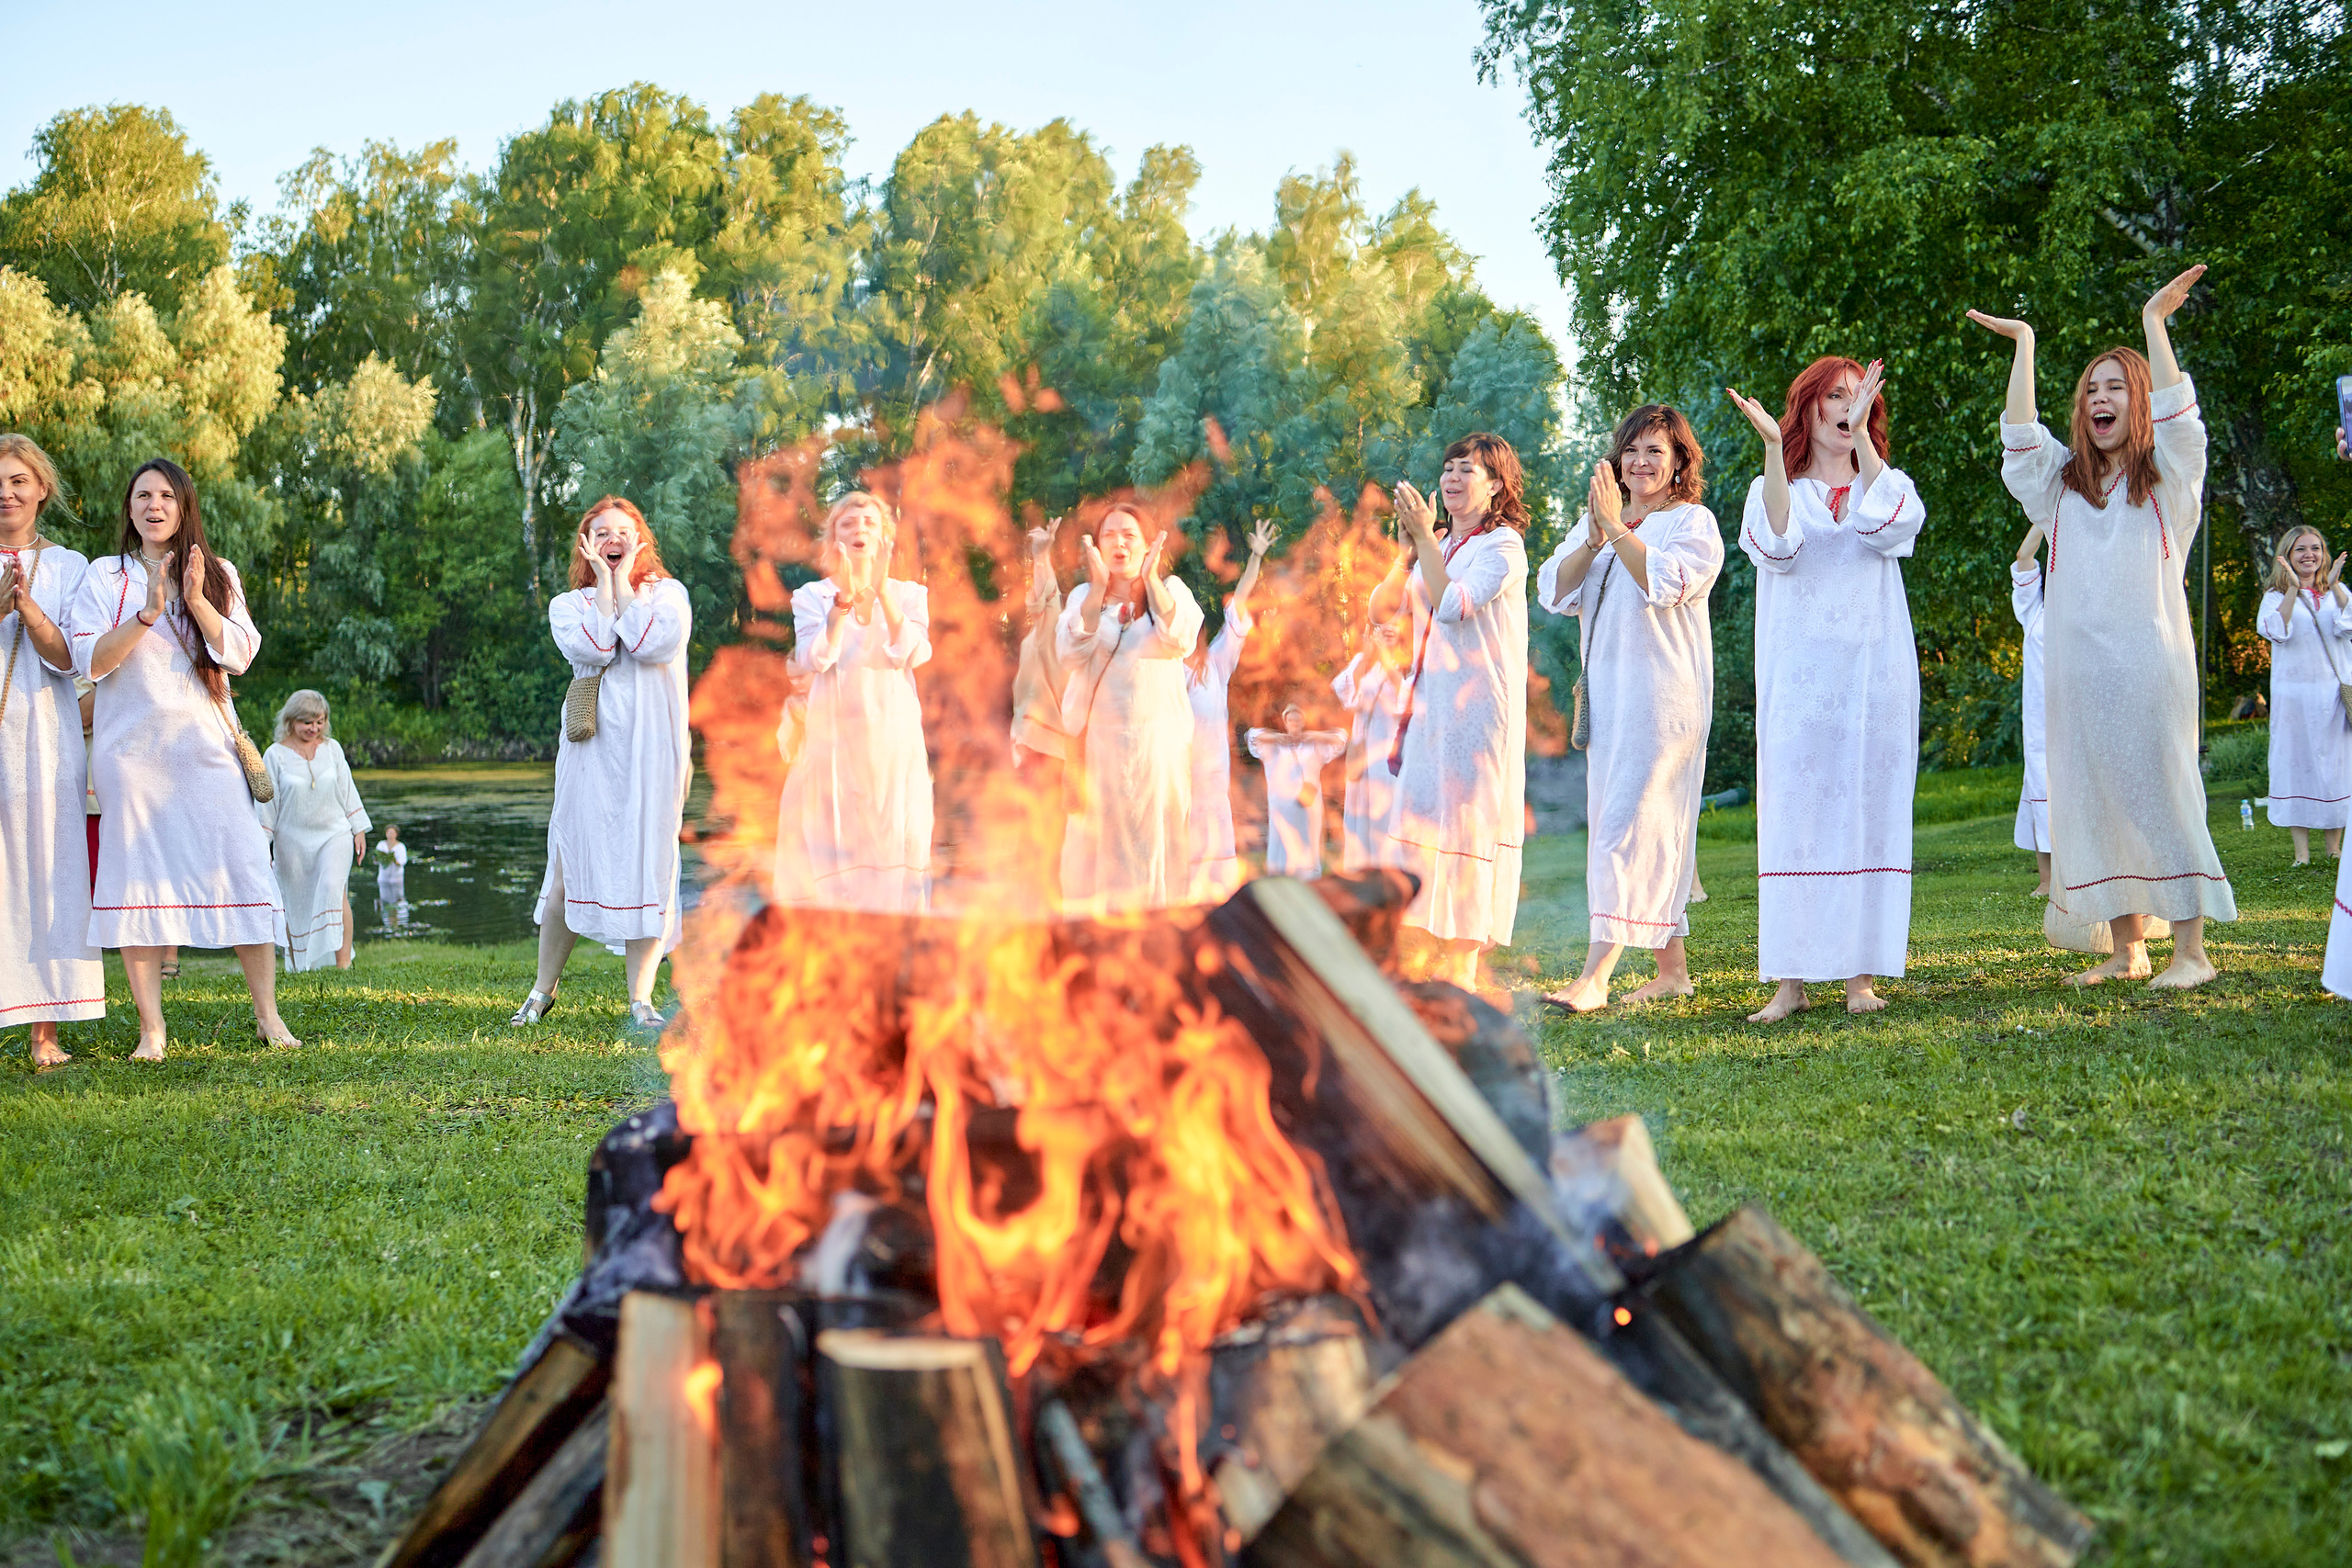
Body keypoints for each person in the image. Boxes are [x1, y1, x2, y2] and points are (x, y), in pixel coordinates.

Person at [1970, 265, 2235, 987]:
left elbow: (2186, 423)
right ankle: (2127, 951)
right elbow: (2021, 437)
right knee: (2099, 799)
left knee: (2165, 791)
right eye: (2091, 389)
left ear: (2137, 401)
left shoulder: (2168, 482)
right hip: (2079, 675)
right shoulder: (2061, 488)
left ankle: (2192, 953)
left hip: (2152, 666)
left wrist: (2155, 325)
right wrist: (2024, 343)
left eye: (2115, 387)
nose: (2099, 398)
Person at [70, 457, 294, 1057]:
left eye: (167, 494)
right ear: (129, 508)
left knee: (245, 865)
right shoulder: (104, 576)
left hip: (207, 754)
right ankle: (152, 1029)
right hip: (133, 759)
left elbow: (240, 653)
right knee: (136, 882)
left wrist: (194, 599)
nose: (155, 505)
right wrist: (147, 609)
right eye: (142, 494)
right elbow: (89, 661)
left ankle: (268, 1016)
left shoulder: (217, 572)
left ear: (184, 504)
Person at [1727, 356, 1926, 1021]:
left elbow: (1893, 525)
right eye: (1836, 396)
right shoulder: (1773, 488)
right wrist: (1770, 453)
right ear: (1807, 407)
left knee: (1869, 819)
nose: (1848, 405)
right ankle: (1790, 982)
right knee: (1796, 822)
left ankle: (1859, 979)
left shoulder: (1884, 482)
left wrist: (1865, 434)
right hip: (1799, 683)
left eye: (1859, 396)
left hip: (1875, 680)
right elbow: (1779, 547)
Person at [1536, 408, 1720, 1011]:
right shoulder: (1600, 523)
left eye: (1655, 451)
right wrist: (1594, 537)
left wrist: (1617, 532)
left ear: (1678, 465)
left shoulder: (1693, 523)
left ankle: (1594, 977)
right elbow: (1554, 590)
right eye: (1631, 450)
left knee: (1624, 828)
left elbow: (1665, 582)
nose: (1640, 461)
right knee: (1647, 829)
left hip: (1665, 706)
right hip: (1612, 707)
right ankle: (1673, 972)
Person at [511, 497, 693, 1028]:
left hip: (652, 751)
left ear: (642, 540)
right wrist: (605, 588)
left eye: (624, 531)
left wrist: (624, 589)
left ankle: (641, 1000)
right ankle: (542, 992)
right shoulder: (569, 604)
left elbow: (650, 643)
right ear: (586, 545)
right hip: (591, 752)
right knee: (571, 864)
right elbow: (596, 647)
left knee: (649, 865)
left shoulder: (669, 596)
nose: (613, 540)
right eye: (601, 532)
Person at [1377, 433, 1531, 989]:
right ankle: (1424, 951)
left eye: (1469, 469)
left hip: (1478, 711)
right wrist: (1410, 550)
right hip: (1430, 707)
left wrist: (1423, 537)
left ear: (1496, 486)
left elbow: (1452, 606)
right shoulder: (1438, 543)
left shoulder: (1503, 547)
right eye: (1448, 466)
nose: (1453, 478)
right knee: (1422, 818)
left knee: (1468, 825)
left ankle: (1463, 964)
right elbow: (1382, 608)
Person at [772, 491, 934, 913]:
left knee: (897, 847)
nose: (860, 529)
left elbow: (913, 653)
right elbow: (815, 658)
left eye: (869, 523)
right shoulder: (811, 596)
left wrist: (881, 591)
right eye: (848, 524)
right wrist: (840, 608)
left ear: (884, 538)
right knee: (838, 851)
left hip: (894, 747)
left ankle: (897, 960)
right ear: (833, 539)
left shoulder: (910, 593)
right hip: (835, 749)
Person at [0, 434, 102, 1067]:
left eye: (17, 480)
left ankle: (45, 1032)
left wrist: (29, 609)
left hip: (43, 737)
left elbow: (70, 658)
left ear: (41, 488)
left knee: (46, 870)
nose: (6, 492)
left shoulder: (70, 565)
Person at [1057, 505, 1203, 914]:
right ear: (1097, 546)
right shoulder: (1084, 597)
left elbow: (1181, 639)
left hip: (1158, 752)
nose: (1119, 543)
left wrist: (1152, 579)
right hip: (1098, 752)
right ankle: (1092, 950)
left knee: (1157, 846)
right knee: (1096, 854)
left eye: (1129, 535)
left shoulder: (1171, 588)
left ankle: (1161, 943)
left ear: (1149, 544)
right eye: (1109, 535)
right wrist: (1098, 589)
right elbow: (1068, 654)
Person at [1185, 518, 1274, 901]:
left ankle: (1218, 911)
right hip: (1176, 781)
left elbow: (1238, 605)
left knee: (1216, 868)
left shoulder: (1216, 664)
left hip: (1212, 778)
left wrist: (1255, 556)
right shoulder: (1158, 667)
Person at [2256, 525, 2351, 863]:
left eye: (2315, 548)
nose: (2309, 554)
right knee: (2295, 765)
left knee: (2336, 767)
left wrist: (2337, 586)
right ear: (2287, 556)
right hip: (2293, 697)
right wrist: (2294, 592)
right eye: (2300, 549)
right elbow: (2275, 632)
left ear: (2324, 555)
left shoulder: (2337, 593)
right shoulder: (2275, 596)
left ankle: (2334, 848)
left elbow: (2349, 624)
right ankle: (2301, 854)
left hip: (2333, 696)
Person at [259, 690, 370, 971]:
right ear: (291, 721)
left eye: (319, 721)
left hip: (334, 834)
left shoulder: (332, 749)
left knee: (335, 888)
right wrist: (263, 844)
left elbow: (347, 790)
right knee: (294, 902)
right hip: (292, 842)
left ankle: (343, 964)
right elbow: (267, 804)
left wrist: (358, 829)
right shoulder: (275, 755)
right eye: (307, 722)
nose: (314, 728)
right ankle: (300, 964)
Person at [1010, 515, 1072, 891]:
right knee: (1034, 842)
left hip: (1050, 752)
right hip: (1033, 749)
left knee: (1045, 843)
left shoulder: (1054, 633)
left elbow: (1051, 599)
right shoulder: (1031, 640)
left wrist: (1041, 558)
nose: (1031, 600)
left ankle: (1048, 915)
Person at [1330, 617, 1409, 872]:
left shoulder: (1408, 662)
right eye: (1383, 626)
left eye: (1394, 625)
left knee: (1385, 811)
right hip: (1362, 747)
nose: (1388, 629)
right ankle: (1361, 871)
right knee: (1359, 811)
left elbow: (1406, 701)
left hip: (1388, 749)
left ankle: (1389, 872)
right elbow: (1346, 695)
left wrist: (1387, 657)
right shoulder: (1366, 663)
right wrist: (1366, 656)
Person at [1247, 700, 1347, 879]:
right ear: (1285, 722)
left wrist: (1314, 736)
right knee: (1282, 840)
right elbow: (1252, 736)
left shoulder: (1313, 745)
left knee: (1307, 840)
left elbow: (1341, 738)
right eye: (1291, 720)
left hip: (1307, 804)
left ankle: (1308, 877)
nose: (1294, 724)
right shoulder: (1275, 745)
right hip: (1282, 804)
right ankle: (1281, 876)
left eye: (1297, 720)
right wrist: (1278, 738)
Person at [2011, 524, 2053, 894]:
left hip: (2077, 716)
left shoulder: (2088, 612)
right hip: (2040, 722)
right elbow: (2025, 558)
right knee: (2040, 784)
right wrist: (2044, 514)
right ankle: (2047, 879)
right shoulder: (2033, 611)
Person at [375, 823, 409, 926]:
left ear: (396, 834)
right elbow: (376, 860)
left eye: (392, 833)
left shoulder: (401, 847)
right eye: (388, 833)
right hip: (383, 878)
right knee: (384, 896)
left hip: (396, 879)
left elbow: (403, 861)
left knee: (397, 896)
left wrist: (394, 860)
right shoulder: (381, 845)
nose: (390, 835)